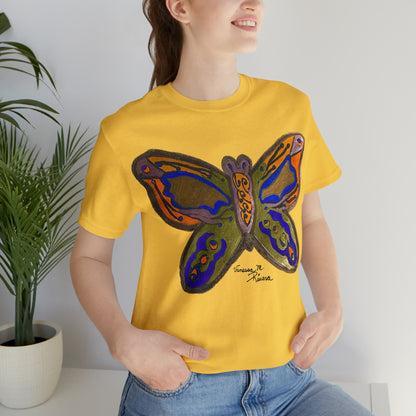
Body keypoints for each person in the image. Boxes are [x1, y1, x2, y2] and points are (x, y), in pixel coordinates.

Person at [70, 0, 374, 415]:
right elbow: (89, 257)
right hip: (182, 390)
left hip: (290, 382)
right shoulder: (126, 132)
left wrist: (333, 308)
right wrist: (120, 338)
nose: (254, 4)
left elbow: (311, 219)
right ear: (180, 7)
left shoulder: (290, 108)